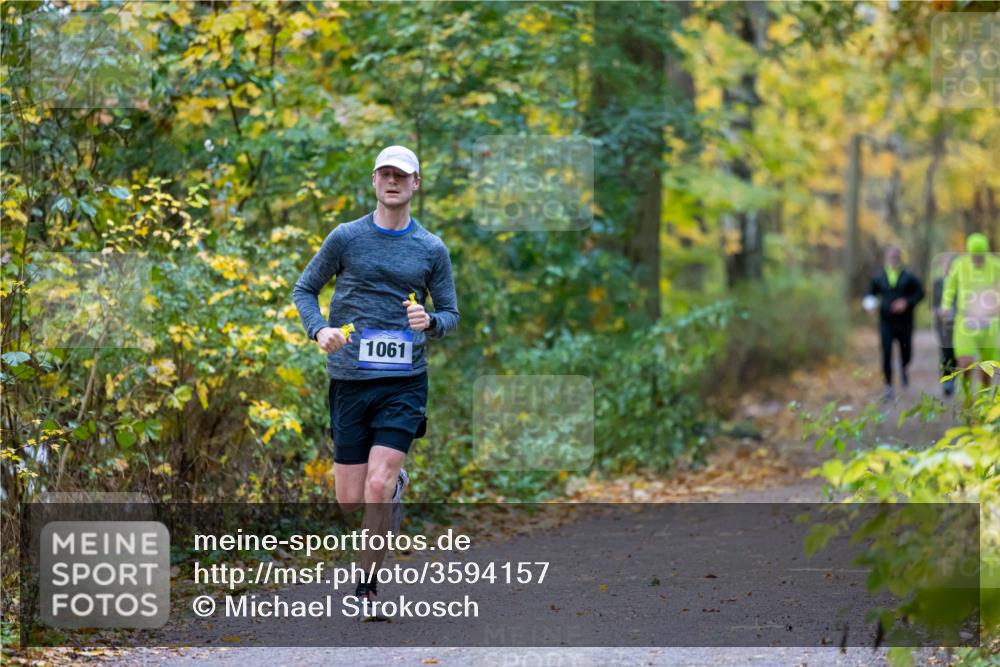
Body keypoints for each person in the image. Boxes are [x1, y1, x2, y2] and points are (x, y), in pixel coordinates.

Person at [292, 145, 459, 606]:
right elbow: (305, 288)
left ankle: (367, 589)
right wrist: (319, 328)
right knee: (350, 501)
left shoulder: (431, 248)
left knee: (377, 484)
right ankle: (392, 489)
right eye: (385, 174)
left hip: (405, 380)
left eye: (401, 176)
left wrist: (433, 323)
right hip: (350, 378)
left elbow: (450, 312)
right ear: (374, 181)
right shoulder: (346, 238)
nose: (393, 182)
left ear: (415, 184)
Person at [941, 232, 1000, 399]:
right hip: (965, 321)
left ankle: (983, 400)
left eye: (980, 256)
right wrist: (946, 306)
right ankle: (967, 398)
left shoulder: (996, 265)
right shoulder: (960, 264)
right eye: (974, 256)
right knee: (965, 364)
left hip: (989, 323)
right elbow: (950, 287)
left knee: (987, 368)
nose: (977, 260)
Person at [865, 245, 925, 401]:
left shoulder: (909, 276)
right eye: (891, 256)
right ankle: (888, 385)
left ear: (900, 258)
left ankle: (904, 367)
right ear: (886, 257)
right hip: (886, 322)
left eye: (896, 256)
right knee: (886, 352)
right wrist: (870, 306)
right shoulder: (878, 277)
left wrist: (906, 302)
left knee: (906, 351)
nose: (894, 258)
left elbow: (920, 293)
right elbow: (870, 294)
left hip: (905, 322)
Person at [932, 254, 958, 397]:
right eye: (947, 265)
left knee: (955, 352)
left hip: (958, 323)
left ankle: (953, 379)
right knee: (945, 351)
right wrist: (938, 311)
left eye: (952, 265)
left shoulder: (961, 283)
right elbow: (934, 303)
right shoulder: (938, 282)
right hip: (942, 323)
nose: (949, 267)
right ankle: (947, 381)